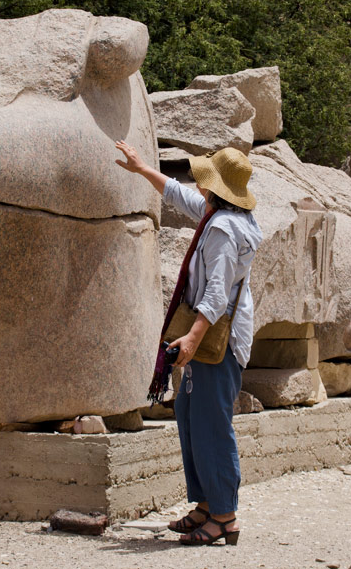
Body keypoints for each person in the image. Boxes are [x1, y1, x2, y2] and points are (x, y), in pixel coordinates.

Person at [114, 140, 263, 546]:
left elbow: (216, 292)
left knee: (212, 423)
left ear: (216, 189)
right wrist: (143, 168)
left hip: (216, 339)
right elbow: (180, 195)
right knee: (191, 413)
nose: (198, 187)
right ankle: (207, 506)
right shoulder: (225, 215)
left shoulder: (222, 230)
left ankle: (225, 517)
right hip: (210, 335)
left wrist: (194, 338)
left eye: (205, 181)